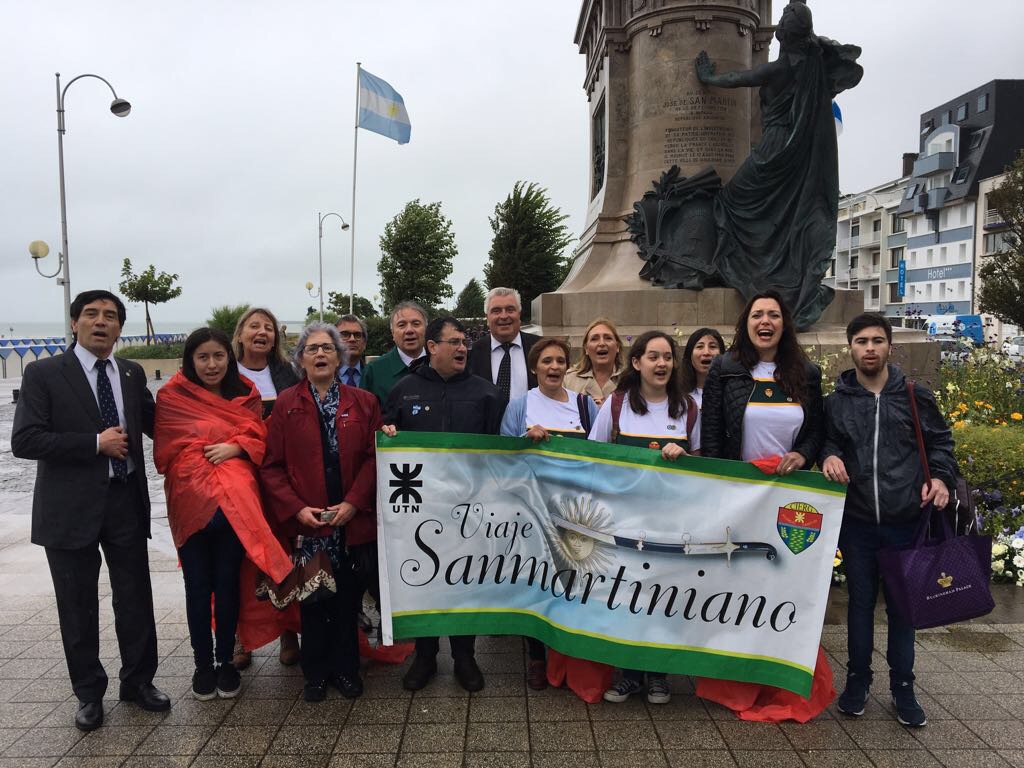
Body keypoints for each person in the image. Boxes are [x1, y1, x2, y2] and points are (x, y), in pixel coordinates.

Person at [11, 290, 170, 731]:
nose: (102, 322)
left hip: (124, 502)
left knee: (135, 599)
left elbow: (162, 424)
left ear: (121, 327)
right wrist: (94, 443)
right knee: (77, 606)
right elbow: (24, 440)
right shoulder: (44, 373)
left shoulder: (132, 372)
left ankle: (139, 682)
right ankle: (88, 693)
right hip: (68, 509)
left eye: (111, 316)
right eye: (92, 314)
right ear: (75, 322)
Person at [698, 290, 831, 722]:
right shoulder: (726, 368)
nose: (765, 321)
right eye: (757, 314)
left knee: (782, 587)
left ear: (784, 323)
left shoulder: (805, 373)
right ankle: (735, 682)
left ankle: (780, 679)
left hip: (789, 498)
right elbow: (714, 433)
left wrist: (804, 455)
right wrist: (721, 489)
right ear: (746, 323)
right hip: (741, 495)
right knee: (740, 586)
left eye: (773, 314)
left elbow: (816, 431)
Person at [822, 313, 956, 727]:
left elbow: (940, 444)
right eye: (861, 341)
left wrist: (941, 478)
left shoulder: (914, 395)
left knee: (902, 610)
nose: (869, 348)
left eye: (877, 341)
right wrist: (828, 455)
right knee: (860, 605)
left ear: (889, 347)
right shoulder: (837, 400)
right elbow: (828, 440)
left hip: (905, 521)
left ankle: (903, 689)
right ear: (850, 347)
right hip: (859, 521)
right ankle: (858, 683)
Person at [695, 2, 863, 329]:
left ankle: (744, 265)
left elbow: (740, 77)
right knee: (776, 210)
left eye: (784, 20)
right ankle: (763, 263)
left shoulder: (782, 68)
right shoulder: (811, 64)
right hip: (797, 150)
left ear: (785, 33)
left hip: (774, 147)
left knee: (732, 200)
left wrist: (708, 76)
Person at [154, 328, 293, 700]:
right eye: (203, 357)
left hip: (234, 507)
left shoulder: (245, 393)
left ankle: (227, 662)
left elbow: (260, 437)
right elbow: (166, 451)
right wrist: (205, 447)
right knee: (198, 588)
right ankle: (203, 665)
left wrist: (235, 447)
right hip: (191, 503)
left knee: (229, 584)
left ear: (228, 358)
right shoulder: (171, 396)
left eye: (218, 356)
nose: (211, 364)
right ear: (191, 360)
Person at [382, 317, 505, 692]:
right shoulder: (404, 390)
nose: (463, 347)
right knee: (422, 581)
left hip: (469, 511)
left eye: (464, 341)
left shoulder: (485, 393)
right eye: (453, 341)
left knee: (464, 581)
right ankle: (425, 655)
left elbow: (499, 453)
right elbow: (388, 437)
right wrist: (388, 435)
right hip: (419, 513)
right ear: (432, 347)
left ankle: (465, 656)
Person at [260, 323, 382, 702]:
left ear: (339, 355)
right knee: (312, 601)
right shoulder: (286, 404)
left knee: (346, 600)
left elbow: (373, 458)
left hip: (349, 520)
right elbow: (271, 466)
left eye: (327, 348)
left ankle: (346, 670)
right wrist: (296, 509)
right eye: (311, 349)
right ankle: (314, 674)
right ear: (300, 359)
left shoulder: (363, 402)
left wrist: (353, 502)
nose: (320, 354)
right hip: (309, 524)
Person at [589, 331, 698, 705]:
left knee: (664, 595)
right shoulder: (617, 405)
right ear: (636, 363)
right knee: (626, 593)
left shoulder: (688, 407)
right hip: (624, 520)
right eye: (653, 356)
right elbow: (593, 457)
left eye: (668, 357)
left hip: (671, 521)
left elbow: (705, 467)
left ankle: (658, 675)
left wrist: (685, 459)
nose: (662, 364)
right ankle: (629, 673)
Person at [499, 337, 599, 690]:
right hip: (534, 511)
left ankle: (573, 652)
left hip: (578, 513)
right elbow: (504, 459)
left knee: (575, 583)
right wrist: (525, 440)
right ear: (534, 367)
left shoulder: (585, 406)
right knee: (537, 583)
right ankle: (537, 657)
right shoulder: (519, 406)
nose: (554, 367)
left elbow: (602, 458)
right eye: (546, 361)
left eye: (560, 361)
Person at [230, 306, 301, 669]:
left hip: (278, 478)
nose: (261, 332)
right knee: (242, 561)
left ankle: (290, 633)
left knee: (282, 554)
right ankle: (241, 639)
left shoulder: (287, 374)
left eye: (268, 328)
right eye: (254, 326)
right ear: (240, 334)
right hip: (238, 479)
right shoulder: (223, 374)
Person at [467, 287, 540, 402]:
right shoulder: (472, 353)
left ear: (519, 315)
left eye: (510, 309)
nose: (504, 316)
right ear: (487, 318)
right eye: (496, 311)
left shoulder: (540, 347)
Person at [362, 301, 428, 404]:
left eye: (416, 324)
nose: (409, 330)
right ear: (393, 333)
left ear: (426, 329)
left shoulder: (442, 366)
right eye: (402, 325)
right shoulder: (373, 372)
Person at [563, 317, 626, 407]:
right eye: (594, 339)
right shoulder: (569, 381)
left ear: (617, 347)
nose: (601, 343)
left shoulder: (631, 380)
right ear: (586, 349)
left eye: (608, 338)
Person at [679, 327, 726, 409]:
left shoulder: (730, 392)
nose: (706, 352)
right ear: (690, 354)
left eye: (712, 347)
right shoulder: (677, 392)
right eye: (700, 347)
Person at [336, 314, 368, 387]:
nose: (352, 339)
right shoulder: (324, 375)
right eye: (345, 334)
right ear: (333, 341)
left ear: (364, 343)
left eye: (357, 335)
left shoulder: (373, 375)